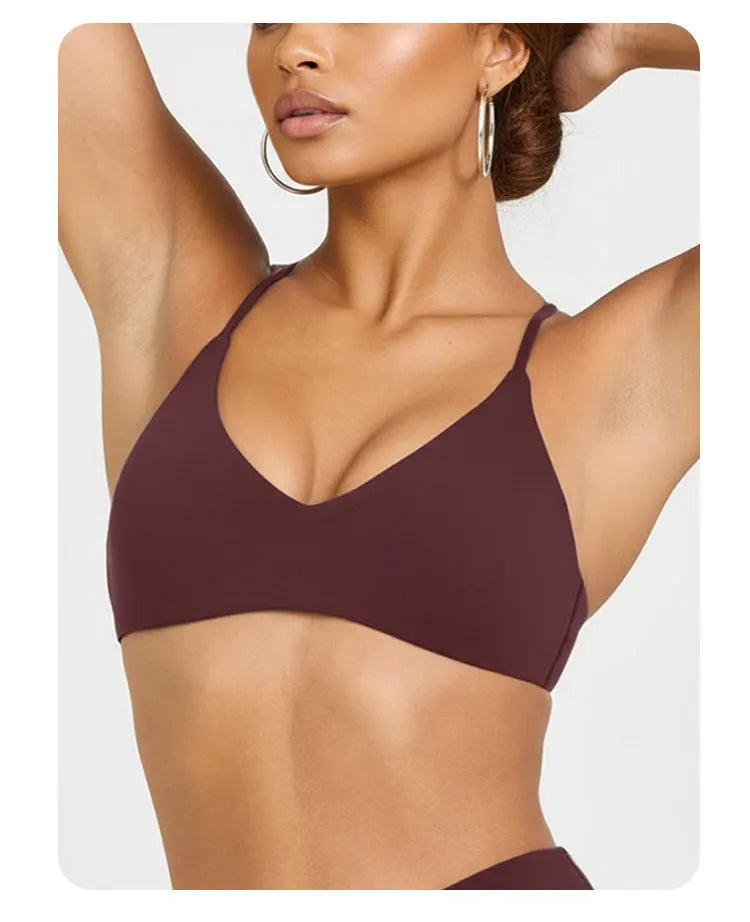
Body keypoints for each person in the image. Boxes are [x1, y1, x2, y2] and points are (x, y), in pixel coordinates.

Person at [58, 23, 699, 889]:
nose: (296, 45)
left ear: (498, 49)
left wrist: (615, 40)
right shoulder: (172, 286)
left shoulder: (618, 368)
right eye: (270, 14)